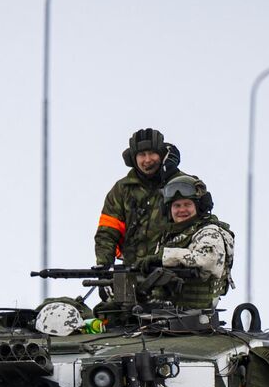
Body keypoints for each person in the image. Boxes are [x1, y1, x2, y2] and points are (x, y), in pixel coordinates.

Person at [139, 174, 234, 310]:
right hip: (168, 312)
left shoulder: (209, 232)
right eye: (176, 206)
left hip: (195, 316)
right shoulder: (170, 236)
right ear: (169, 210)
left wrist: (165, 257)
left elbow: (208, 260)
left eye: (187, 204)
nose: (182, 210)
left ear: (199, 207)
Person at [94, 127, 181, 270]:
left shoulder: (181, 184)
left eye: (152, 153)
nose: (147, 160)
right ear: (133, 158)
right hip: (132, 272)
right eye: (142, 154)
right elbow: (108, 232)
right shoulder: (122, 189)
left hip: (173, 273)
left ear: (161, 154)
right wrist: (104, 266)